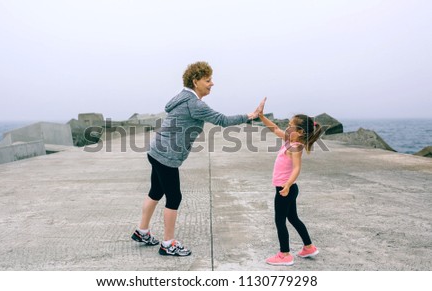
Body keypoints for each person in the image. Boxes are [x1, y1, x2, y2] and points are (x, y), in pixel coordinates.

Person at [131, 61, 266, 256]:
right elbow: (222, 120)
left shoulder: (182, 97)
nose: (212, 84)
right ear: (196, 81)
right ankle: (168, 243)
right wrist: (251, 115)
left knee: (155, 191)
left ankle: (142, 232)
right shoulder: (195, 104)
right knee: (174, 197)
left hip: (156, 150)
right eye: (208, 80)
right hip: (166, 155)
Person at [258, 110, 323, 266]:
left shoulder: (296, 147)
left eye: (290, 126)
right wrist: (261, 116)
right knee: (293, 218)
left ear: (299, 132)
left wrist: (287, 185)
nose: (287, 128)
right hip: (288, 189)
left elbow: (296, 169)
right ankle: (309, 247)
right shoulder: (289, 141)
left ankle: (284, 254)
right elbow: (274, 128)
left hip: (285, 189)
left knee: (280, 221)